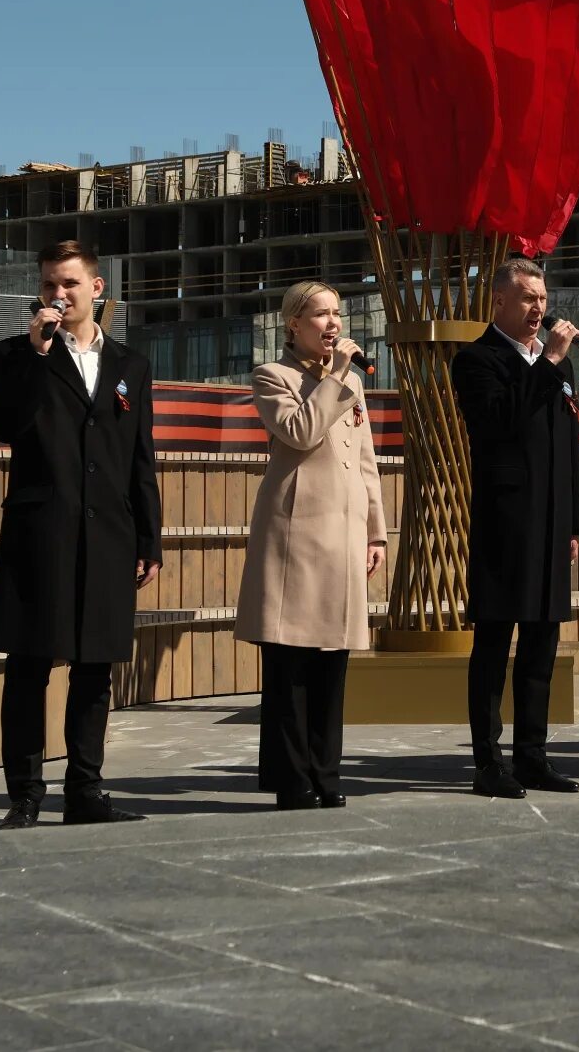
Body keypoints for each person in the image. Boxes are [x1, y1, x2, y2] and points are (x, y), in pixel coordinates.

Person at [0, 241, 161, 827]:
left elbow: (140, 457)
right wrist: (36, 356)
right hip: (42, 530)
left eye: (70, 285)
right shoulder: (13, 353)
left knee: (95, 668)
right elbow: (1, 425)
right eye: (50, 286)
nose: (59, 296)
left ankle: (86, 789)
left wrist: (149, 537)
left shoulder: (130, 366)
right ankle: (25, 794)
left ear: (97, 288)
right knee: (29, 665)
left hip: (109, 531)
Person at [235, 282, 386, 810]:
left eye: (337, 314)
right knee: (290, 664)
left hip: (344, 535)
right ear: (293, 325)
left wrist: (376, 532)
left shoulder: (349, 384)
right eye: (320, 315)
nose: (332, 324)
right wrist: (338, 378)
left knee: (332, 664)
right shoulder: (272, 376)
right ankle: (290, 778)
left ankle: (327, 773)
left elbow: (366, 463)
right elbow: (299, 431)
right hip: (295, 537)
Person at [451, 258, 579, 799]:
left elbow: (569, 451)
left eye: (543, 297)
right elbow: (500, 420)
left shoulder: (557, 369)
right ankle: (489, 762)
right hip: (506, 524)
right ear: (499, 303)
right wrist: (549, 361)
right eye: (528, 298)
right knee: (492, 647)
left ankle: (534, 756)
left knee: (541, 646)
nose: (539, 308)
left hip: (553, 525)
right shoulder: (476, 360)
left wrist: (575, 522)